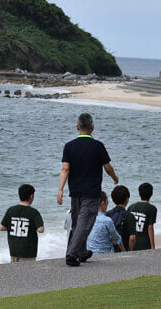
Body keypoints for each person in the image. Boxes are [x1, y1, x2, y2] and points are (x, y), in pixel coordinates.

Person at [57, 113, 119, 267]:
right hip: (91, 193)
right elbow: (107, 167)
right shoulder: (98, 146)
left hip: (75, 192)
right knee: (85, 223)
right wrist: (114, 177)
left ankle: (81, 251)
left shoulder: (69, 146)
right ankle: (71, 254)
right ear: (92, 128)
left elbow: (65, 169)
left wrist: (60, 190)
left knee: (78, 223)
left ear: (77, 127)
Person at [0, 184, 45, 262]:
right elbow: (40, 229)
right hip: (28, 252)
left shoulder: (11, 210)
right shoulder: (34, 212)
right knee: (27, 272)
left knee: (15, 272)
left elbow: (2, 227)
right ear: (31, 196)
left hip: (13, 250)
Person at [128, 183, 157, 250]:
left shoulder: (131, 207)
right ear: (151, 194)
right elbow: (150, 228)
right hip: (144, 243)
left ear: (139, 193)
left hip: (131, 242)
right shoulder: (152, 208)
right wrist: (153, 246)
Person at [107, 185, 136, 252]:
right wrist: (130, 251)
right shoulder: (129, 216)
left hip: (110, 249)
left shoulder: (107, 214)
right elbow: (132, 238)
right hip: (123, 249)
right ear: (127, 199)